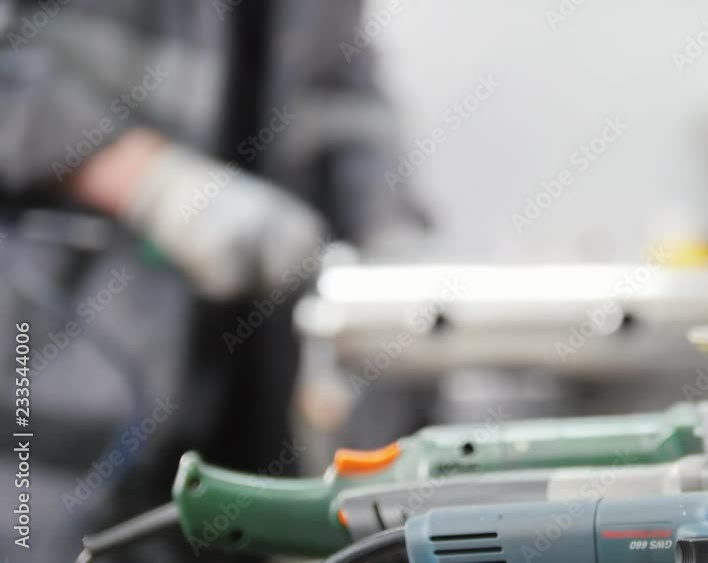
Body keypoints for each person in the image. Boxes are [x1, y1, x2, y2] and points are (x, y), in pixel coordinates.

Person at [0, 1, 425, 561]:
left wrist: (393, 247)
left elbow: (341, 91)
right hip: (51, 417)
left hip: (246, 414)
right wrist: (145, 180)